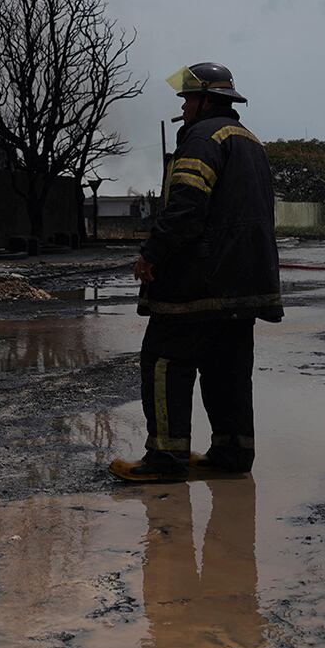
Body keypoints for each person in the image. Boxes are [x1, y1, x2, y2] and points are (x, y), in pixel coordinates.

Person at [110, 62, 283, 483]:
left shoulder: (202, 139)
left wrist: (151, 253)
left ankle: (165, 458)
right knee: (228, 366)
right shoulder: (249, 140)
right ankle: (232, 452)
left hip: (199, 280)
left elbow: (186, 208)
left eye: (187, 99)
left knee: (164, 360)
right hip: (246, 281)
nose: (183, 108)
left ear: (206, 100)